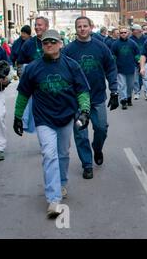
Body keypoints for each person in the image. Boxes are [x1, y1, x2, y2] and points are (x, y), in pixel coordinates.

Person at [13, 29, 91, 218]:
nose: (49, 44)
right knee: (49, 154)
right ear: (42, 45)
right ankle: (53, 199)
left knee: (63, 153)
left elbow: (82, 91)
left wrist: (85, 110)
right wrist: (17, 116)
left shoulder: (71, 66)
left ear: (60, 44)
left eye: (53, 42)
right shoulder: (33, 68)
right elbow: (23, 94)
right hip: (43, 119)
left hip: (66, 116)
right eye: (46, 42)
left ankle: (62, 183)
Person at [62, 17, 119, 180]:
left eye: (85, 26)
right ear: (75, 29)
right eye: (79, 26)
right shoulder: (68, 50)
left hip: (98, 96)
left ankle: (97, 147)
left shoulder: (101, 47)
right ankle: (87, 164)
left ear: (91, 27)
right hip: (77, 100)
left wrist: (114, 90)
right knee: (81, 134)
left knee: (101, 128)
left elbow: (111, 68)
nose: (82, 29)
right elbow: (63, 72)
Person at [111, 27, 141, 110]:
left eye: (125, 32)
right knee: (122, 85)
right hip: (120, 69)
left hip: (131, 68)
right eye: (121, 33)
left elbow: (137, 54)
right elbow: (113, 56)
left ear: (128, 33)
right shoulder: (115, 44)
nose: (123, 34)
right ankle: (123, 101)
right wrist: (113, 66)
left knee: (130, 85)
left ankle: (129, 97)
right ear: (119, 34)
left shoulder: (133, 43)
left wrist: (139, 63)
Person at [130, 24, 147, 100]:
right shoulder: (130, 39)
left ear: (138, 30)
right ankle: (136, 92)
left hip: (144, 61)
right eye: (132, 30)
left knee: (145, 77)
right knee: (135, 79)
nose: (132, 31)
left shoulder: (146, 39)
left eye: (133, 30)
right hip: (134, 62)